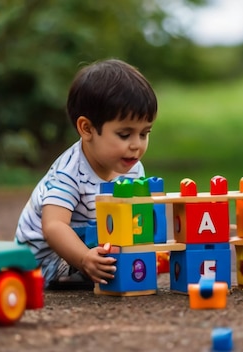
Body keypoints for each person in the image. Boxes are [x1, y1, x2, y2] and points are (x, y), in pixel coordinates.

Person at [15, 59, 158, 289]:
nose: (136, 145)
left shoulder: (133, 168)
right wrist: (83, 259)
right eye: (124, 134)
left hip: (91, 244)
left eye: (144, 133)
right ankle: (87, 268)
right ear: (87, 129)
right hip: (44, 261)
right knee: (109, 266)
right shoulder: (69, 172)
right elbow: (54, 227)